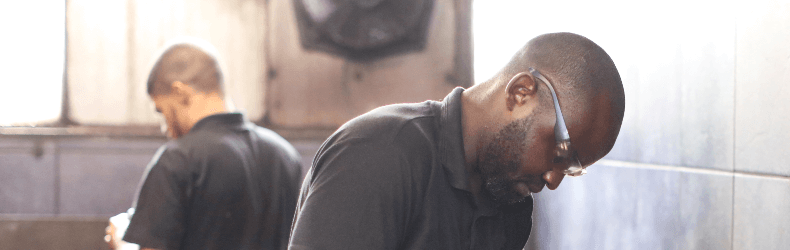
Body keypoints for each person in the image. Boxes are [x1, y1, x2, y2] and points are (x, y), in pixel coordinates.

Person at [287, 32, 625, 250]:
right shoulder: (378, 156)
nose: (553, 180)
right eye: (560, 152)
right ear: (521, 93)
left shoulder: (509, 201)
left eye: (572, 169)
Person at [107, 40, 304, 250]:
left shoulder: (179, 160)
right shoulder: (285, 155)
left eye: (163, 111)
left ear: (180, 93)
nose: (165, 128)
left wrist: (121, 241)